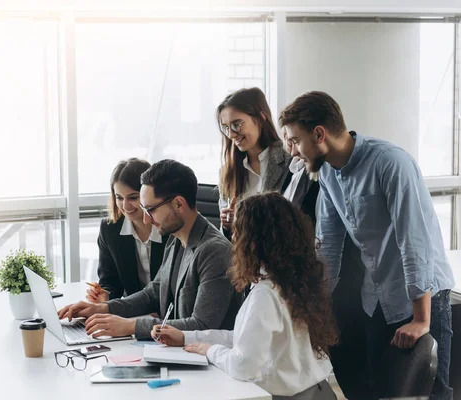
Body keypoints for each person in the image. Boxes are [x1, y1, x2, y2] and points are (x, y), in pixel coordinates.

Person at [280, 90, 455, 400]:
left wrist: (421, 319)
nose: (293, 152)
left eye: (295, 141)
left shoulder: (390, 163)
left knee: (428, 392)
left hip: (423, 298)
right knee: (382, 390)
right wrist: (315, 306)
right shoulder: (329, 175)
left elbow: (413, 242)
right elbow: (329, 246)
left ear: (319, 133)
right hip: (376, 298)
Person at [152, 193, 338, 400]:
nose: (233, 239)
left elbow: (243, 365)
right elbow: (245, 339)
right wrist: (187, 337)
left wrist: (211, 351)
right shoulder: (294, 282)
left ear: (253, 241)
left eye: (237, 232)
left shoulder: (265, 295)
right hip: (320, 391)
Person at [57, 160, 241, 340]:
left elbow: (201, 326)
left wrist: (130, 326)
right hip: (179, 353)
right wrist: (103, 308)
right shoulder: (176, 239)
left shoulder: (214, 251)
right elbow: (154, 292)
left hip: (209, 363)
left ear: (179, 204)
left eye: (151, 210)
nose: (146, 220)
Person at [216, 87, 319, 241]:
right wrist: (226, 227)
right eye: (225, 128)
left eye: (237, 124)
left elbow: (302, 220)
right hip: (245, 259)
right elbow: (225, 239)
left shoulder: (291, 159)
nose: (231, 134)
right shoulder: (227, 172)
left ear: (260, 117)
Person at [86, 158, 168, 303]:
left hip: (167, 316)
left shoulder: (169, 228)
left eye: (133, 197)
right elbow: (110, 282)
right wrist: (105, 296)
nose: (125, 206)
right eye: (119, 197)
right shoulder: (110, 229)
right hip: (132, 312)